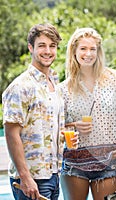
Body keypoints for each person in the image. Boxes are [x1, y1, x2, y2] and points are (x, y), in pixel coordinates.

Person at [58, 27, 116, 200]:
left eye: (93, 49)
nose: (88, 54)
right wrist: (74, 126)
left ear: (98, 51)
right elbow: (56, 126)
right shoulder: (64, 88)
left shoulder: (113, 78)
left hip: (107, 162)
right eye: (83, 49)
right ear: (74, 51)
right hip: (74, 163)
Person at [2, 23, 64, 200]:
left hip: (53, 174)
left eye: (52, 46)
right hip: (32, 179)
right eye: (42, 45)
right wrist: (26, 177)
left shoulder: (54, 82)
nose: (48, 51)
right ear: (31, 47)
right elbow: (11, 133)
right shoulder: (21, 87)